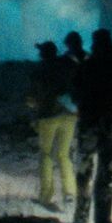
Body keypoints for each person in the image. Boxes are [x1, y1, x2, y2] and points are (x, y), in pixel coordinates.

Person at [71, 29, 112, 223]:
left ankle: (80, 215)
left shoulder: (85, 67)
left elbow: (74, 95)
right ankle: (102, 221)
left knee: (83, 170)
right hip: (108, 124)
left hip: (87, 123)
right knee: (106, 172)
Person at [26, 41, 77, 212]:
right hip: (70, 114)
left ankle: (46, 195)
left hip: (48, 116)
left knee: (46, 154)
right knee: (64, 154)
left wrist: (33, 104)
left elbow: (32, 98)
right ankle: (70, 193)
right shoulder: (69, 64)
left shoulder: (40, 71)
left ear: (43, 54)